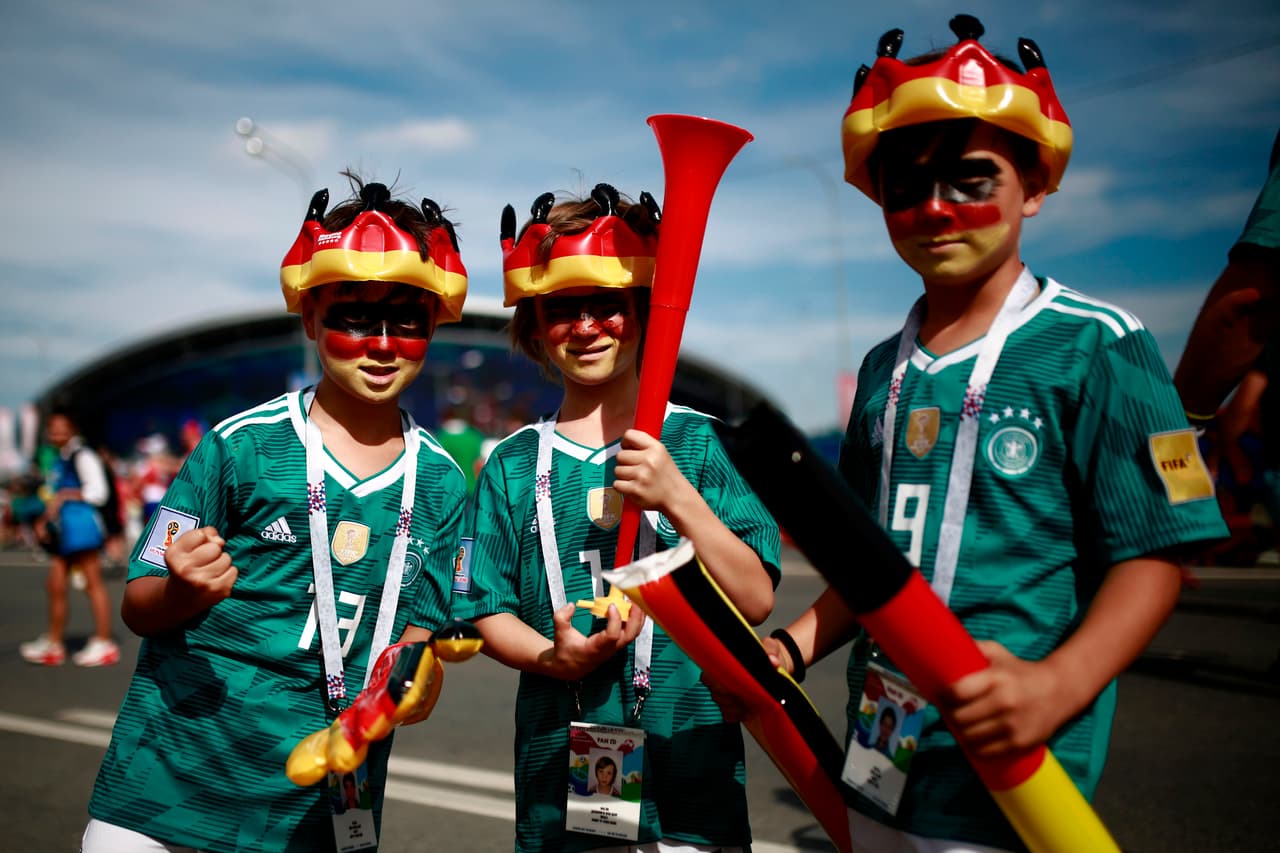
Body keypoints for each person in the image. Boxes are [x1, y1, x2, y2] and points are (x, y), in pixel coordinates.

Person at [728, 16, 1228, 852]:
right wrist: (791, 644)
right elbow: (866, 561)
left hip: (1013, 761)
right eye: (904, 185)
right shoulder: (885, 366)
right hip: (880, 747)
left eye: (969, 178)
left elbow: (1159, 554)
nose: (934, 208)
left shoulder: (1102, 342)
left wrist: (1055, 684)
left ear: (1034, 184)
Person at [82, 175, 470, 853]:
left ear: (434, 323)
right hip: (167, 795)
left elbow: (418, 639)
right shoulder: (238, 447)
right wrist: (181, 589)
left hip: (319, 819)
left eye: (405, 320)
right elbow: (139, 604)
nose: (381, 343)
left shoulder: (441, 481)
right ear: (312, 318)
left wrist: (416, 677)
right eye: (353, 317)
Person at [452, 183, 781, 852]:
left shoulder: (700, 443)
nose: (587, 326)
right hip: (561, 766)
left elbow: (755, 596)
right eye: (563, 309)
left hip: (695, 767)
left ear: (644, 311)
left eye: (609, 306)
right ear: (535, 326)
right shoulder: (513, 463)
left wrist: (677, 497)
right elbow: (485, 607)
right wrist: (553, 654)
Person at [20, 410, 120, 667]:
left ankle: (104, 641)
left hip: (82, 526)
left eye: (62, 428)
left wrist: (65, 495)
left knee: (92, 582)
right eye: (52, 428)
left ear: (73, 429)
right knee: (55, 585)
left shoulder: (83, 455)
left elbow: (98, 492)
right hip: (66, 528)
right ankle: (54, 643)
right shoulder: (60, 457)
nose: (56, 433)